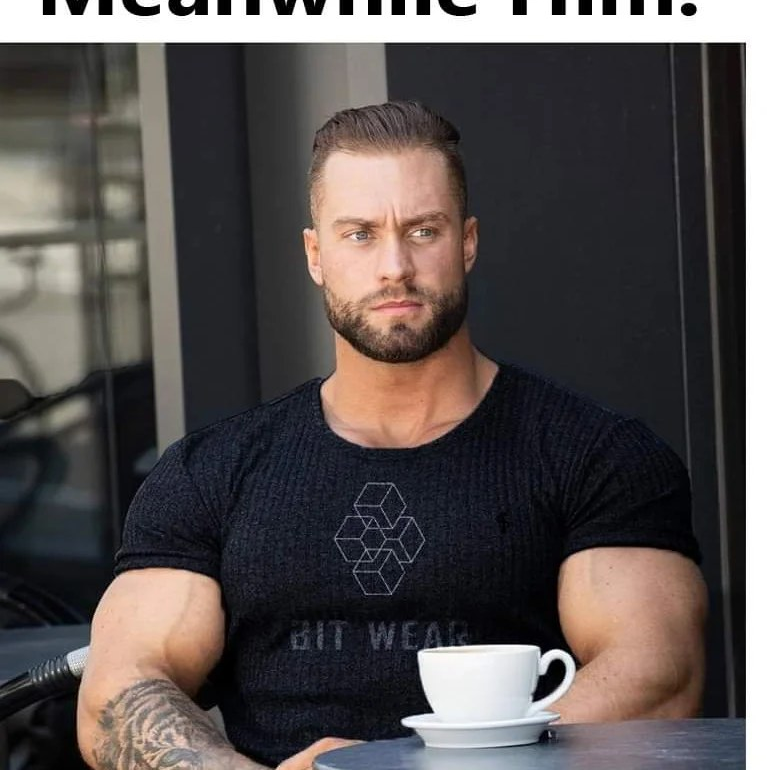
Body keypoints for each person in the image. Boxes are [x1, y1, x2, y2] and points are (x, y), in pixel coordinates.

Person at [77, 101, 707, 770]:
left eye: (422, 230)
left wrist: (400, 767)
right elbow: (117, 693)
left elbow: (656, 679)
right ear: (315, 254)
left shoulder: (595, 454)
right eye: (359, 234)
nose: (393, 267)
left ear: (466, 242)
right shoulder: (212, 470)